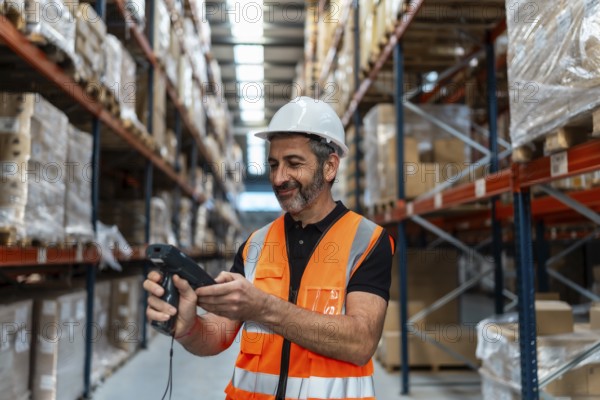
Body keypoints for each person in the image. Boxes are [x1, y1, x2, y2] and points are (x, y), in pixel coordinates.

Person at [144, 96, 395, 400]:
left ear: (330, 167)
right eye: (274, 165)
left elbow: (361, 342)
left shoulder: (367, 240)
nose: (278, 178)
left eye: (294, 164)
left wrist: (262, 307)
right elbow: (218, 336)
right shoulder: (255, 245)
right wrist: (188, 327)